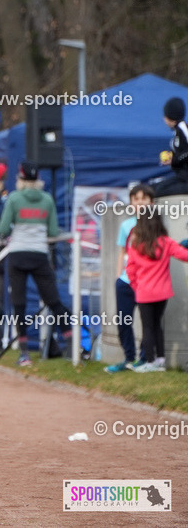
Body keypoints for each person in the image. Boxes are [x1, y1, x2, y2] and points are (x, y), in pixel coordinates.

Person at [0, 161, 68, 367]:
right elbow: (53, 231)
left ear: (20, 178)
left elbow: (3, 228)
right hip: (39, 254)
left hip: (18, 254)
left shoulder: (14, 198)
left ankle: (24, 353)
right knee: (54, 301)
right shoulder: (47, 199)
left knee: (19, 304)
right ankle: (72, 346)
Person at [125, 205, 188, 372]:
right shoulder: (166, 242)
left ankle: (150, 362)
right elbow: (184, 255)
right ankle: (160, 360)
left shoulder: (136, 244)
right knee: (157, 326)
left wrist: (135, 286)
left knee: (148, 328)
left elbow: (130, 269)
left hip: (144, 294)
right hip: (163, 294)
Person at [106, 185, 154, 373]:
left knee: (148, 323)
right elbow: (122, 252)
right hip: (126, 282)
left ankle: (144, 358)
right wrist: (119, 276)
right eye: (136, 199)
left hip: (147, 283)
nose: (140, 203)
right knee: (124, 320)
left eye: (144, 199)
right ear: (131, 203)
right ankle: (128, 358)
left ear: (151, 202)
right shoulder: (126, 225)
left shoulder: (156, 225)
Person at [151, 97, 188, 196]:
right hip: (181, 176)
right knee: (152, 189)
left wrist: (174, 159)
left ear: (170, 117)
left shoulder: (183, 128)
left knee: (160, 191)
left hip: (185, 178)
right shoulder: (177, 131)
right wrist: (172, 158)